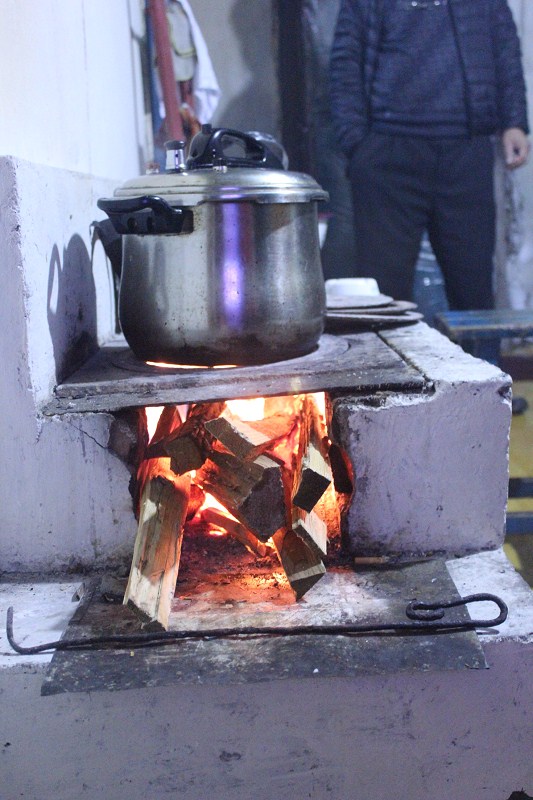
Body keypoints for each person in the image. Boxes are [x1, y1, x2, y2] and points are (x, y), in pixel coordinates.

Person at [329, 0, 530, 309]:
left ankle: (480, 360)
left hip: (465, 152)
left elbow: (503, 44)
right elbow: (346, 60)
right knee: (385, 301)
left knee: (473, 293)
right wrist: (358, 145)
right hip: (387, 156)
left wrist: (514, 122)